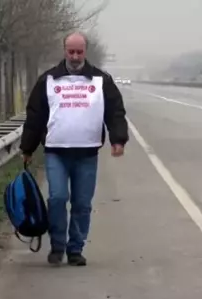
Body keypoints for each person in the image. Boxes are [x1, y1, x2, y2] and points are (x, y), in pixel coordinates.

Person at [19, 31, 129, 266]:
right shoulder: (48, 80)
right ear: (64, 51)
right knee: (57, 198)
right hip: (56, 152)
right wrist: (27, 148)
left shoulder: (101, 80)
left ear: (85, 52)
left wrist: (118, 139)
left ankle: (75, 249)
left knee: (81, 204)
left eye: (79, 52)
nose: (76, 56)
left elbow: (115, 111)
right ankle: (57, 246)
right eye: (71, 52)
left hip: (87, 154)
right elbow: (35, 116)